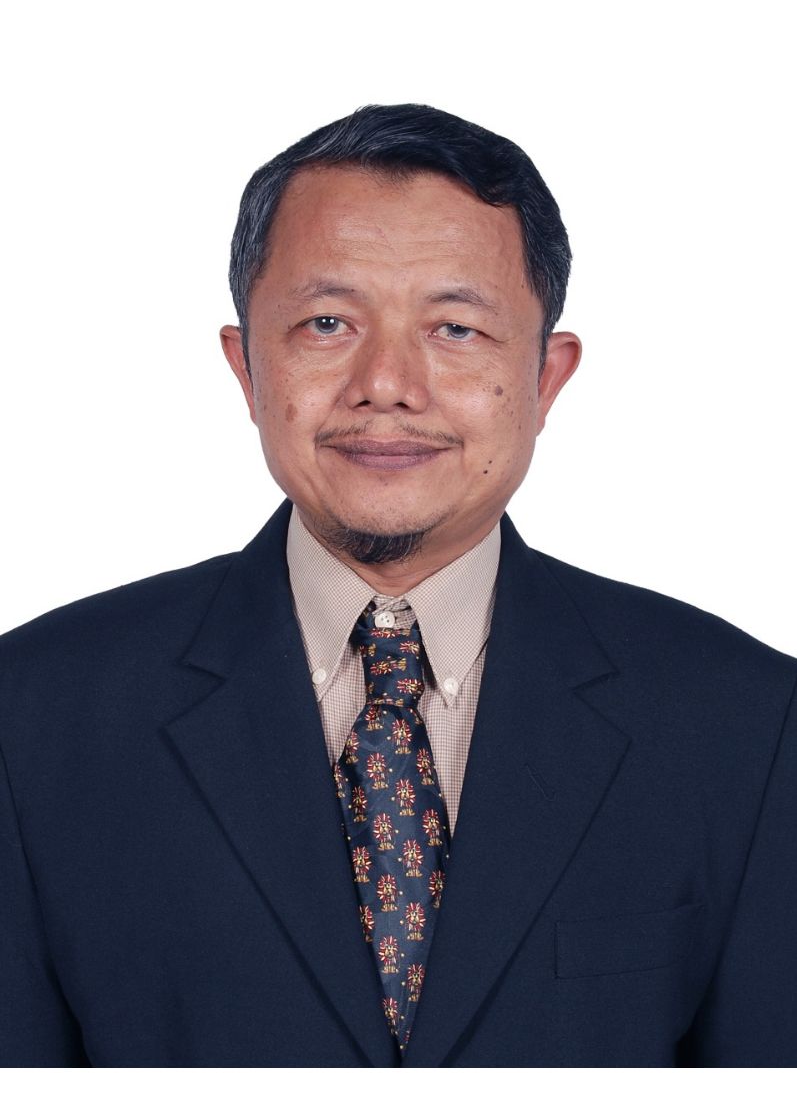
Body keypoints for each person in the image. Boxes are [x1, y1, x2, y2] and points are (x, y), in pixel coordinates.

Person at [1, 104, 795, 1068]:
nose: (386, 383)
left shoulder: (746, 723)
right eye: (326, 323)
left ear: (545, 378)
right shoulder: (34, 714)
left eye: (455, 328)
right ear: (246, 367)